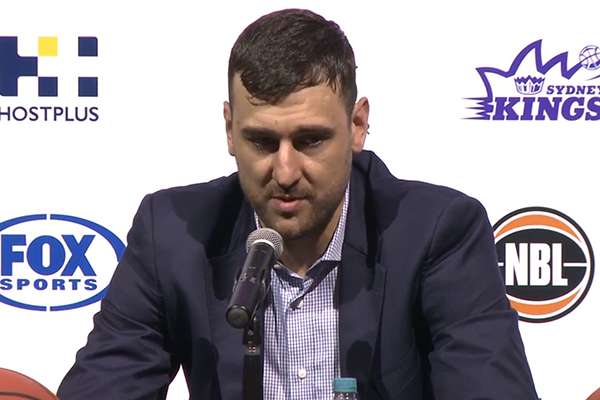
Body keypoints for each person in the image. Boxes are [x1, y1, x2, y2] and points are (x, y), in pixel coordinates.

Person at [57, 8, 539, 400]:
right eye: (262, 142)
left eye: (310, 140)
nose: (285, 172)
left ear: (357, 126)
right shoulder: (172, 235)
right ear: (229, 130)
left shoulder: (437, 232)